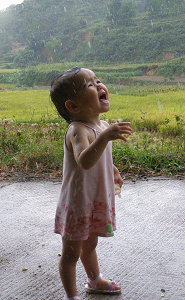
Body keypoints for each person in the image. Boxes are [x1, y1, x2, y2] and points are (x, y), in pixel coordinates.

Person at [50, 66, 132, 300]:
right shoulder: (77, 130)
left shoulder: (102, 126)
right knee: (71, 254)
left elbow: (101, 158)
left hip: (94, 200)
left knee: (90, 245)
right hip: (78, 203)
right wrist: (105, 138)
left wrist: (112, 170)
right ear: (73, 106)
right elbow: (84, 161)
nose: (98, 86)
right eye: (89, 85)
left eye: (97, 81)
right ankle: (71, 296)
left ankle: (94, 280)